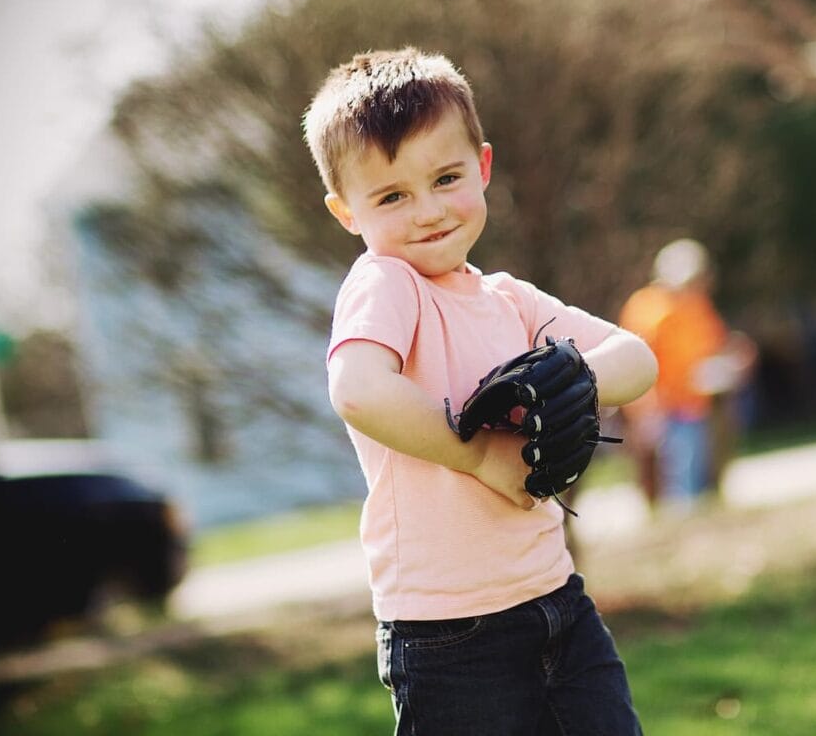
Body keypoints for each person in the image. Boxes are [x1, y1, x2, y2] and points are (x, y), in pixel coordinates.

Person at [302, 47, 657, 735]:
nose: (428, 210)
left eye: (446, 178)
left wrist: (573, 382)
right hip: (448, 634)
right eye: (392, 196)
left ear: (483, 167)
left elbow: (636, 357)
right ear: (346, 212)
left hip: (557, 602)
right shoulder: (387, 284)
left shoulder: (509, 300)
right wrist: (479, 456)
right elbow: (357, 390)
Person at [619, 238, 755, 510]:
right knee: (678, 475)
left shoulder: (696, 304)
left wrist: (732, 358)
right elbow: (634, 360)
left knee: (704, 468)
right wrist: (645, 409)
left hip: (698, 402)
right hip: (665, 407)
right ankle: (682, 515)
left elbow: (714, 342)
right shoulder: (647, 308)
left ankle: (699, 510)